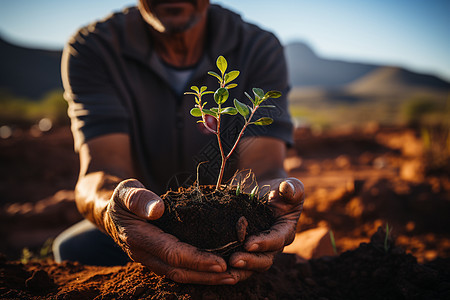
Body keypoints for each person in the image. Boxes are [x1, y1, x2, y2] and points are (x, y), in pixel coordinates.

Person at [53, 0, 304, 285]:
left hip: (234, 232)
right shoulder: (95, 46)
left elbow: (264, 169)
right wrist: (115, 209)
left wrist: (270, 200)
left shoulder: (258, 47)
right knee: (73, 248)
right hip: (143, 222)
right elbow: (99, 171)